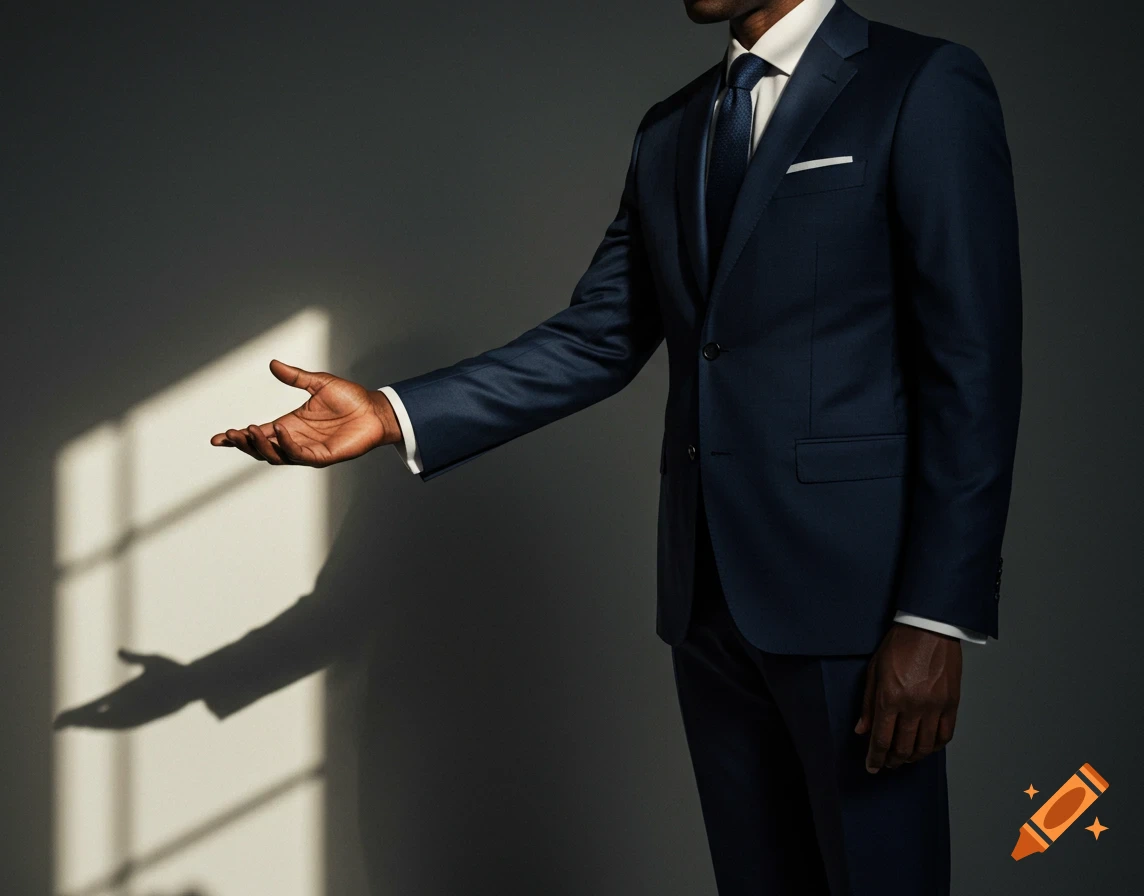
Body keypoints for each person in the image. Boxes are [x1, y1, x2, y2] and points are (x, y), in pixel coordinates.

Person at [205, 0, 1022, 891]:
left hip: (858, 610)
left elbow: (971, 364)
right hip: (706, 605)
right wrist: (397, 412)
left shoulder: (920, 85)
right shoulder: (673, 127)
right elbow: (598, 338)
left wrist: (934, 616)